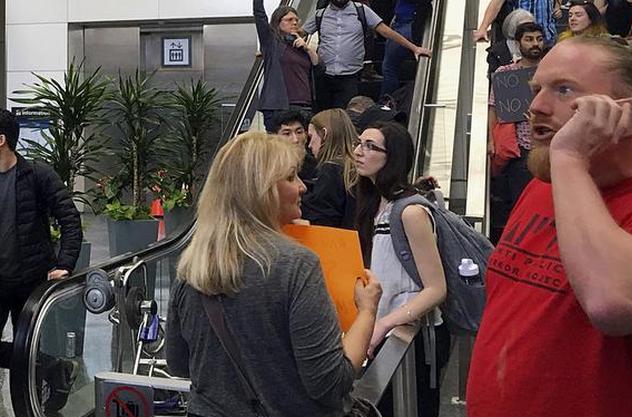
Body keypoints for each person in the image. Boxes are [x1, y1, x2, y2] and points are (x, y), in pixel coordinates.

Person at [467, 35, 632, 417]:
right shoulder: (545, 188)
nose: (536, 106)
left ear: (627, 113)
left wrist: (568, 156)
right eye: (536, 90)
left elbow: (615, 302)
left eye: (563, 90)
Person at [165, 131, 382, 417]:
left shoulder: (192, 266)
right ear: (263, 190)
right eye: (291, 177)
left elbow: (179, 364)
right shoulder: (295, 265)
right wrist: (367, 312)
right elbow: (330, 383)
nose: (303, 187)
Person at [0, 108, 82, 408]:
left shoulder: (38, 176)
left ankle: (31, 403)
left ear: (1, 140)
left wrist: (64, 265)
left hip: (31, 283)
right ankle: (55, 368)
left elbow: (70, 219)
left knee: (27, 349)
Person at [353, 121, 450, 417]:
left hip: (412, 337)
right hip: (387, 332)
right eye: (359, 143)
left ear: (391, 157)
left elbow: (436, 288)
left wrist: (383, 324)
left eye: (371, 146)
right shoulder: (376, 205)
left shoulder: (410, 212)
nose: (359, 151)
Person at [304, 0, 431, 110]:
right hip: (324, 76)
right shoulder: (320, 15)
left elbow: (386, 31)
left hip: (350, 77)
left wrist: (414, 48)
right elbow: (300, 33)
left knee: (349, 116)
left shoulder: (361, 10)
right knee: (323, 115)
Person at [487, 21, 545, 241]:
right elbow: (494, 107)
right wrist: (490, 139)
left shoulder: (551, 71)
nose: (535, 44)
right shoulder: (505, 72)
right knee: (521, 200)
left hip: (548, 146)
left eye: (539, 39)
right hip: (518, 149)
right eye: (529, 39)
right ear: (518, 43)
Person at [253, 0, 318, 130]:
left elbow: (320, 67)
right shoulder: (272, 41)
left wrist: (308, 48)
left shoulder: (300, 45)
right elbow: (259, 14)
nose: (295, 22)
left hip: (304, 105)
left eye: (296, 20)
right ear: (278, 22)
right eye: (289, 20)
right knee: (278, 152)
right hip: (278, 106)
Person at [381, 0, 434, 97]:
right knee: (390, 65)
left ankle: (387, 100)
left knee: (389, 65)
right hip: (400, 22)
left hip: (410, 23)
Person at [303, 109, 360, 228]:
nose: (309, 145)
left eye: (311, 137)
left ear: (324, 134)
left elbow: (323, 218)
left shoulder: (331, 169)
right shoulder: (357, 167)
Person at [268, 108, 319, 183]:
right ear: (275, 137)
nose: (295, 140)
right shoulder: (269, 168)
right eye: (287, 134)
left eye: (299, 132)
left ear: (306, 134)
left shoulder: (316, 166)